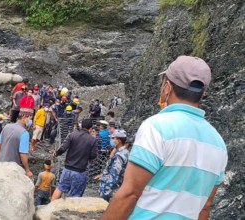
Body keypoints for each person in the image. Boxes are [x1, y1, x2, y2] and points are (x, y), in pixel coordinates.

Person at [102, 56, 228, 219]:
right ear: (203, 93)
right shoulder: (218, 143)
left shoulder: (156, 127)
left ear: (167, 87)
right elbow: (205, 208)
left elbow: (130, 193)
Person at [51, 119, 97, 201]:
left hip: (67, 169)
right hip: (80, 171)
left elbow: (62, 148)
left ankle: (50, 208)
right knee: (76, 196)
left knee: (60, 188)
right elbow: (93, 156)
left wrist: (56, 153)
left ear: (81, 125)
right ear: (90, 128)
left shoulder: (72, 135)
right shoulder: (92, 139)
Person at [0, 108, 33, 179]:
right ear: (24, 117)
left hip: (0, 163)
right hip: (12, 168)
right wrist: (27, 170)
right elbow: (23, 154)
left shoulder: (7, 126)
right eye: (29, 118)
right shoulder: (24, 133)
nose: (30, 121)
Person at [95, 130, 129, 202]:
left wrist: (105, 193)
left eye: (113, 138)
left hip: (111, 191)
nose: (111, 140)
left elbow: (114, 175)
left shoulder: (119, 156)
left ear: (118, 141)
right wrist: (103, 175)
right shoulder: (124, 152)